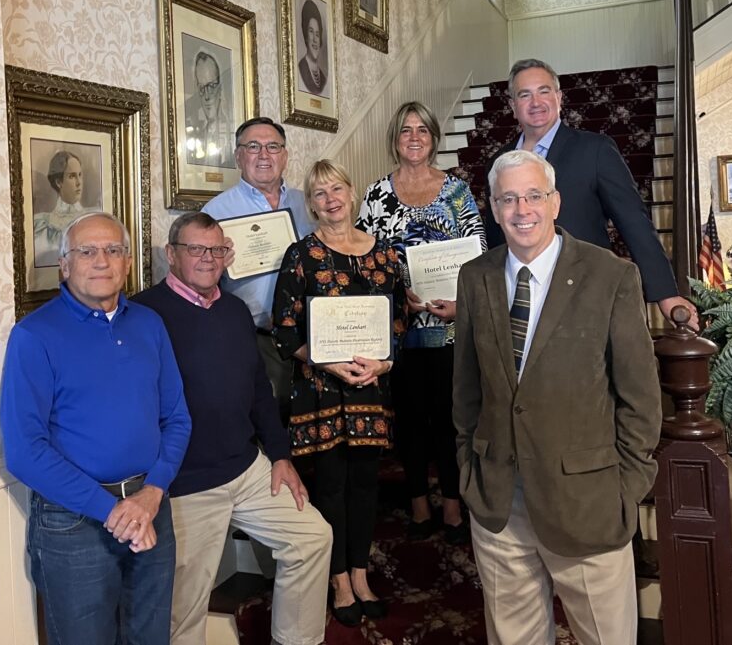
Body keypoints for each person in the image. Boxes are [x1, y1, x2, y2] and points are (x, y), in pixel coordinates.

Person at [454, 150, 662, 645]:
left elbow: (640, 397)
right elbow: (466, 388)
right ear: (494, 207)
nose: (522, 209)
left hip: (588, 503)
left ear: (555, 202)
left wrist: (626, 489)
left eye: (534, 195)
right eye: (508, 199)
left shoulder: (610, 275)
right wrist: (469, 468)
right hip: (500, 500)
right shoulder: (475, 276)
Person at [134, 212, 331, 645]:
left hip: (246, 468)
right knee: (183, 608)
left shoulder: (235, 310)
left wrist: (280, 456)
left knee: (312, 538)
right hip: (185, 485)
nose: (209, 258)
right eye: (196, 249)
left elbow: (259, 388)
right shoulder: (143, 314)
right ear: (171, 254)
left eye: (217, 249)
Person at [0, 211, 192, 645]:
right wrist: (111, 511)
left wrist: (152, 493)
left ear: (128, 262)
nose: (102, 261)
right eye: (86, 251)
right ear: (64, 265)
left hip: (151, 504)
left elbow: (177, 417)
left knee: (151, 638)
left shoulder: (149, 324)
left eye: (113, 250)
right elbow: (25, 452)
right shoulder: (34, 336)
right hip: (73, 521)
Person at [273, 159, 406, 628]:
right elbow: (284, 331)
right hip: (321, 390)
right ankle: (339, 581)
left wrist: (384, 363)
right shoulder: (301, 254)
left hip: (371, 388)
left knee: (366, 484)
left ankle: (362, 575)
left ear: (352, 193)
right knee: (330, 485)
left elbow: (398, 324)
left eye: (337, 189)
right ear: (311, 205)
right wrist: (328, 361)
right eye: (319, 193)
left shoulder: (386, 254)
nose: (330, 200)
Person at [357, 101, 484, 544]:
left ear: (433, 138)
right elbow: (363, 258)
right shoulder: (376, 194)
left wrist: (462, 305)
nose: (414, 137)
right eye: (406, 130)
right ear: (395, 139)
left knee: (451, 420)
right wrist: (396, 299)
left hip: (450, 330)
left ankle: (452, 501)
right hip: (399, 332)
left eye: (422, 130)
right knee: (409, 420)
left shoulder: (457, 191)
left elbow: (479, 256)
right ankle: (417, 501)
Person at [485, 58, 695, 322]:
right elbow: (495, 233)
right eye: (524, 95)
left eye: (544, 91)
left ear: (559, 98)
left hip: (585, 291)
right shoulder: (498, 162)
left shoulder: (595, 150)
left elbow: (633, 220)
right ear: (513, 106)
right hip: (518, 295)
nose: (535, 102)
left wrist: (666, 294)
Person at [204, 117, 315, 407]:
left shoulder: (310, 204)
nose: (264, 154)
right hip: (256, 339)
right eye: (253, 146)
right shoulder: (215, 212)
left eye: (273, 146)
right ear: (238, 156)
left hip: (313, 335)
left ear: (285, 155)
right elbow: (194, 282)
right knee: (268, 419)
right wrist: (215, 267)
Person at [33, 149, 93, 268]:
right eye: (72, 176)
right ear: (59, 182)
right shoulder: (40, 225)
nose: (79, 182)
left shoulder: (94, 218)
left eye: (80, 175)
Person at [186, 50, 235, 169]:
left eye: (212, 86)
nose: (207, 96)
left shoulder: (231, 133)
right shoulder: (196, 135)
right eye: (202, 88)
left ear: (220, 88)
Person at [297, 0, 328, 97]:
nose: (315, 39)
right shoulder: (300, 69)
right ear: (306, 35)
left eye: (317, 34)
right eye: (311, 31)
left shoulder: (324, 79)